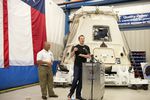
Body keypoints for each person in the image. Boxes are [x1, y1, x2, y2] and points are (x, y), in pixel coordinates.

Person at [68, 35, 91, 100]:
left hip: (84, 66)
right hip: (77, 65)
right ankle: (70, 93)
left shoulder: (86, 47)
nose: (82, 40)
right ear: (79, 40)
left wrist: (82, 55)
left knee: (81, 81)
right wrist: (74, 51)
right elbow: (71, 56)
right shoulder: (75, 47)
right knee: (75, 79)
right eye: (81, 39)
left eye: (83, 39)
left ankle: (78, 95)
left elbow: (89, 56)